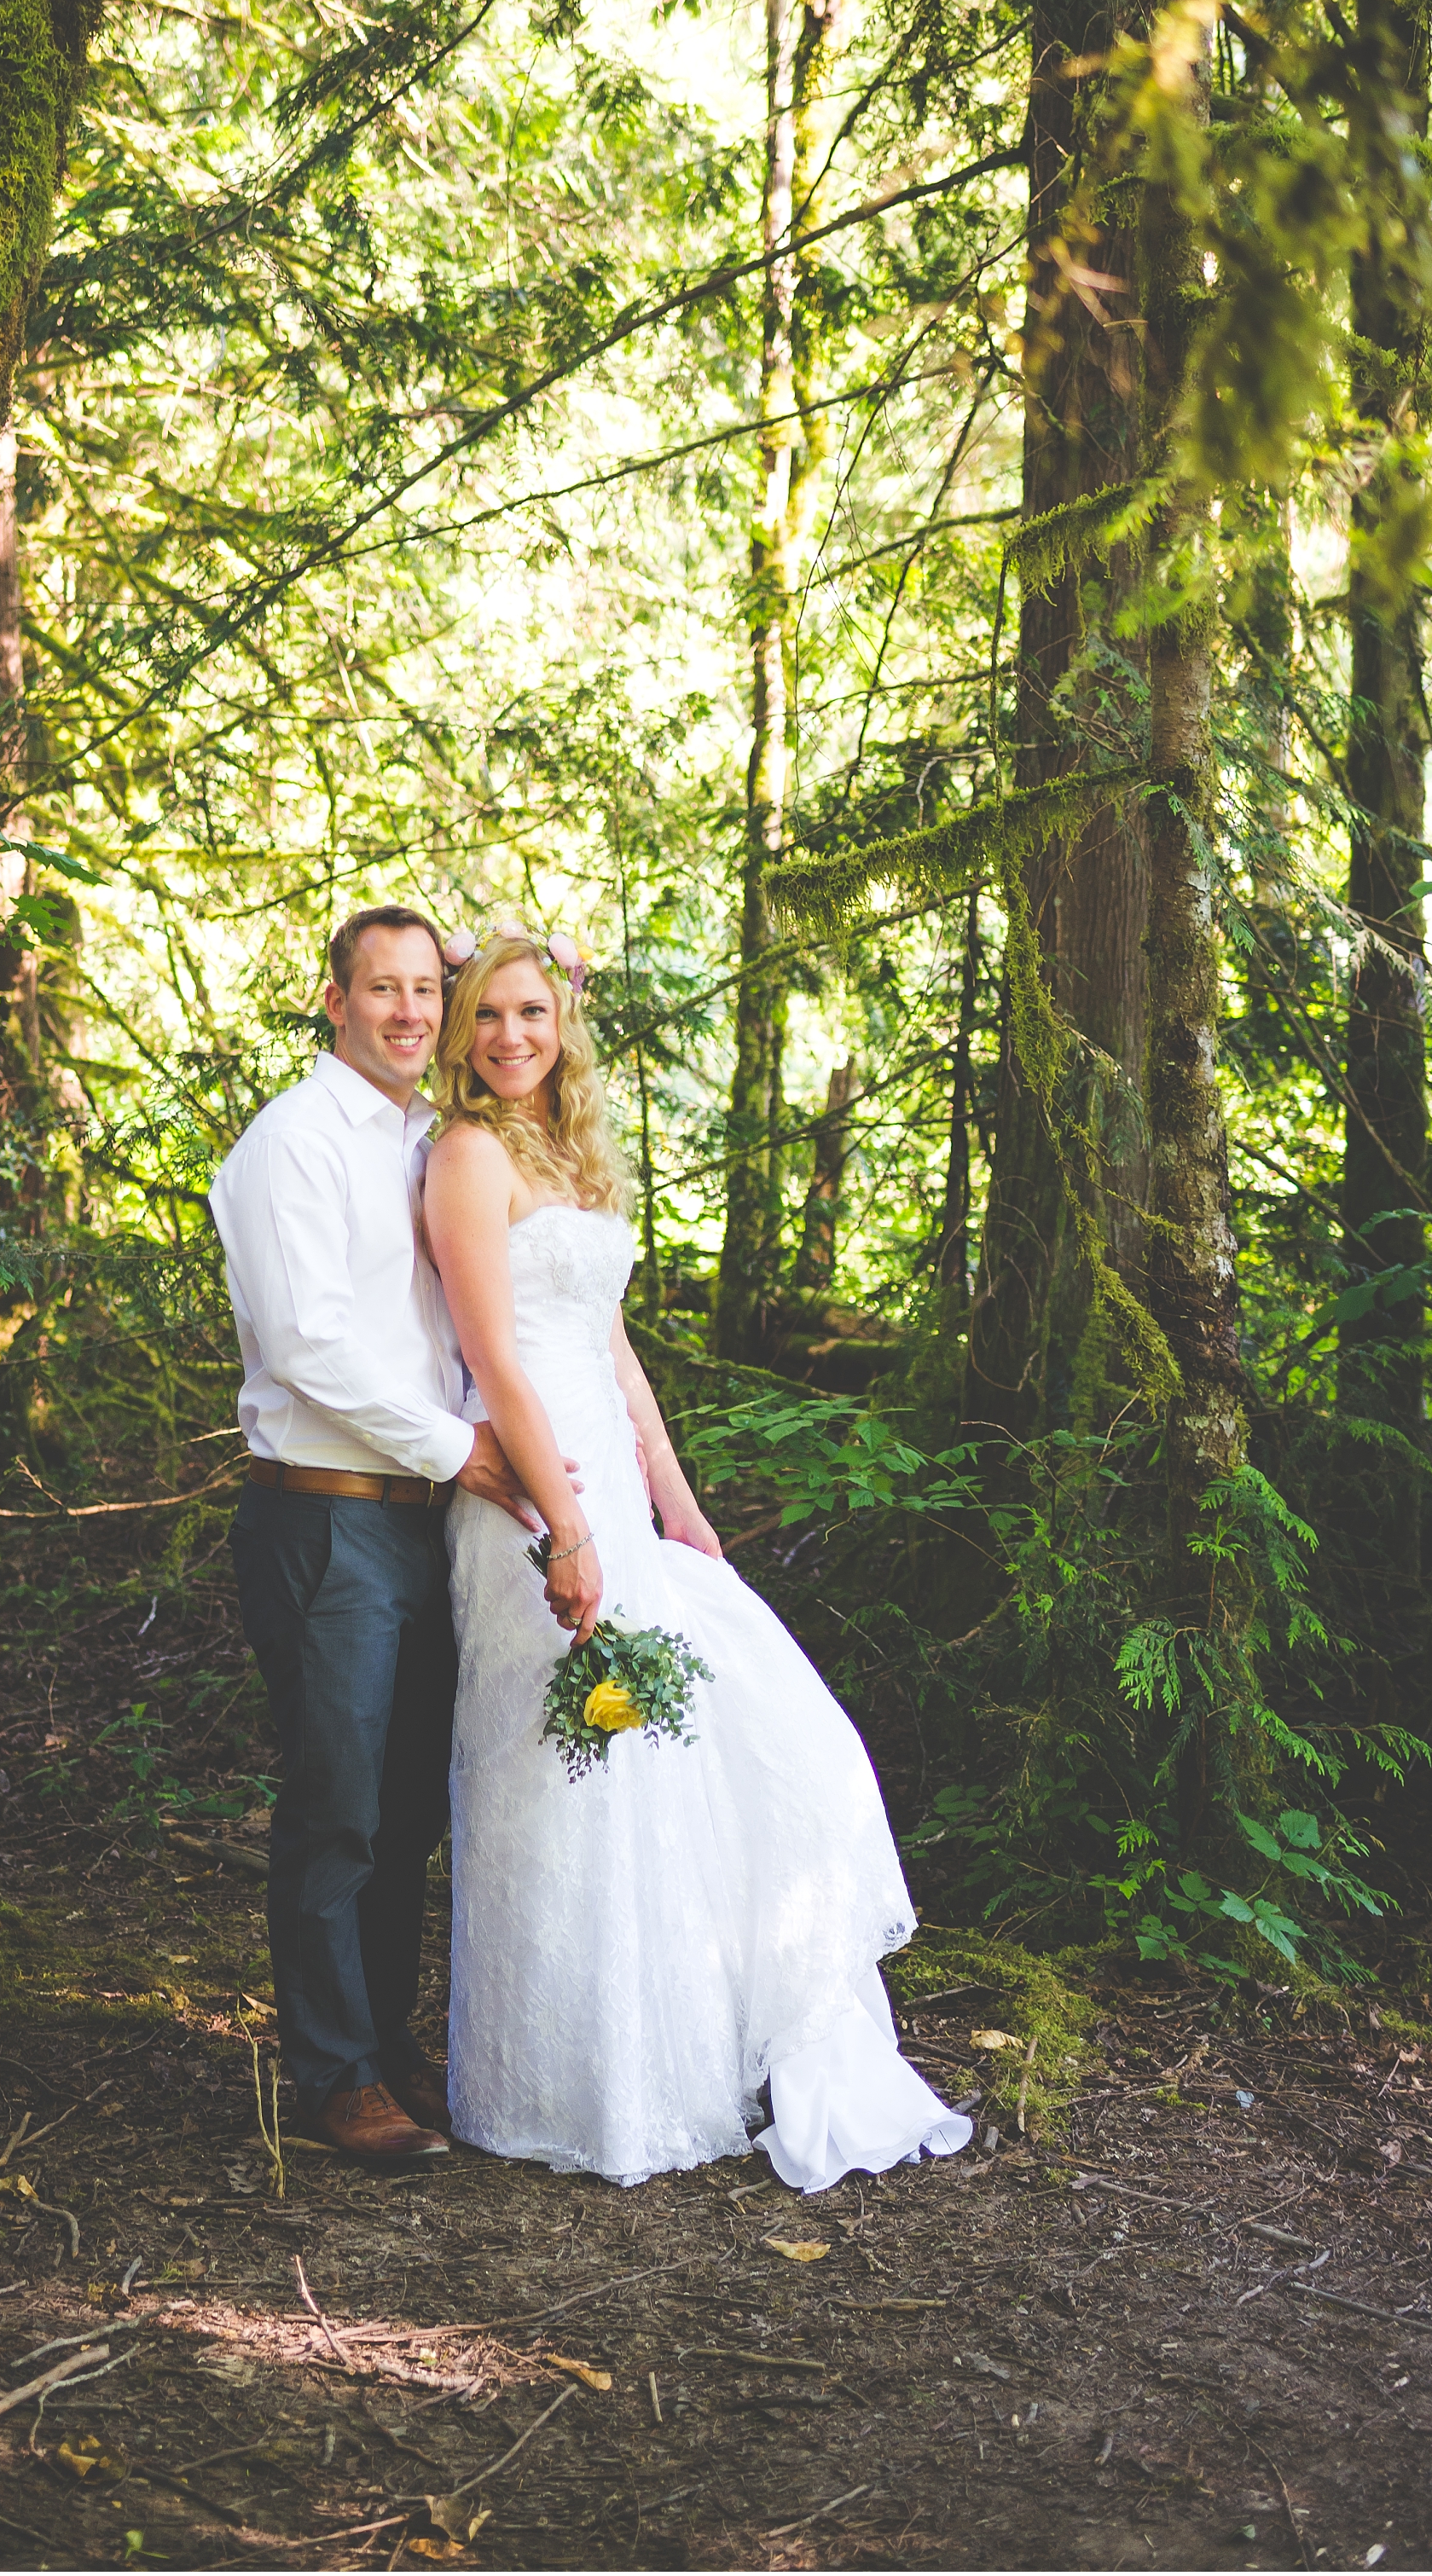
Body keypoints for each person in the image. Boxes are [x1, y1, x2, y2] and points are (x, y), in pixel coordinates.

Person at [423, 925, 973, 2192]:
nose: (511, 1036)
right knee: (559, 1767)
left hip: (612, 1479)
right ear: (462, 1032)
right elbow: (496, 1353)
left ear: (563, 1025)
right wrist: (563, 1522)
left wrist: (677, 1505)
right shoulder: (464, 1154)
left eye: (532, 1013)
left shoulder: (570, 1153)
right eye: (488, 1016)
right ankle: (552, 2087)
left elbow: (614, 1354)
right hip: (525, 1492)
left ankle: (661, 2067)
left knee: (669, 1760)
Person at [209, 906, 548, 2167]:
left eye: (425, 987)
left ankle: (389, 2043)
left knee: (411, 1802)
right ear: (335, 998)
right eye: (384, 988)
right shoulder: (290, 1143)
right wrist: (462, 1447)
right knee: (339, 1802)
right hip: (326, 1513)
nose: (410, 1011)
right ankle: (334, 2071)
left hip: (426, 1526)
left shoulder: (435, 1141)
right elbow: (309, 1346)